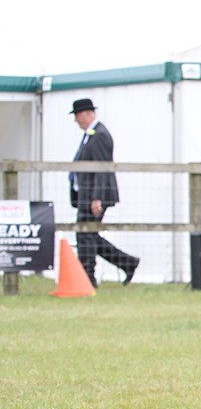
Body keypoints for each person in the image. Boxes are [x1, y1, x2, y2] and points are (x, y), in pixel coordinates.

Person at [68, 98, 138, 286]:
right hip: (86, 195)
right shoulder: (91, 134)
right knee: (87, 234)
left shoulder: (99, 135)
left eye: (77, 116)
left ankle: (88, 276)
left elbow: (102, 168)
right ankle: (127, 263)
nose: (76, 120)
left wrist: (96, 197)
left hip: (94, 195)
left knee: (86, 234)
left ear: (87, 114)